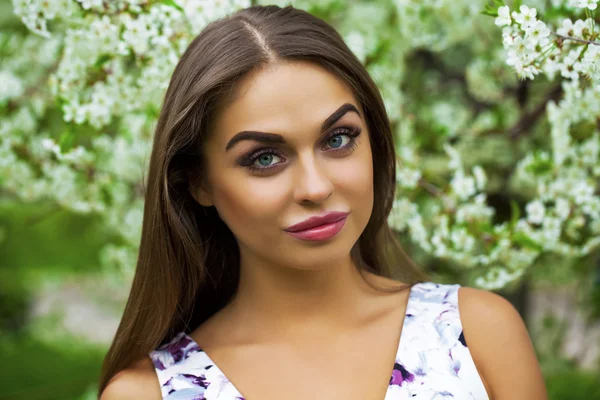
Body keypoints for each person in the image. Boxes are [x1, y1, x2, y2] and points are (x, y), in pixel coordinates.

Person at [98, 4, 547, 400]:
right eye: (265, 158)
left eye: (338, 138)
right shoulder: (148, 393)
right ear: (198, 182)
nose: (315, 187)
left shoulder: (477, 332)